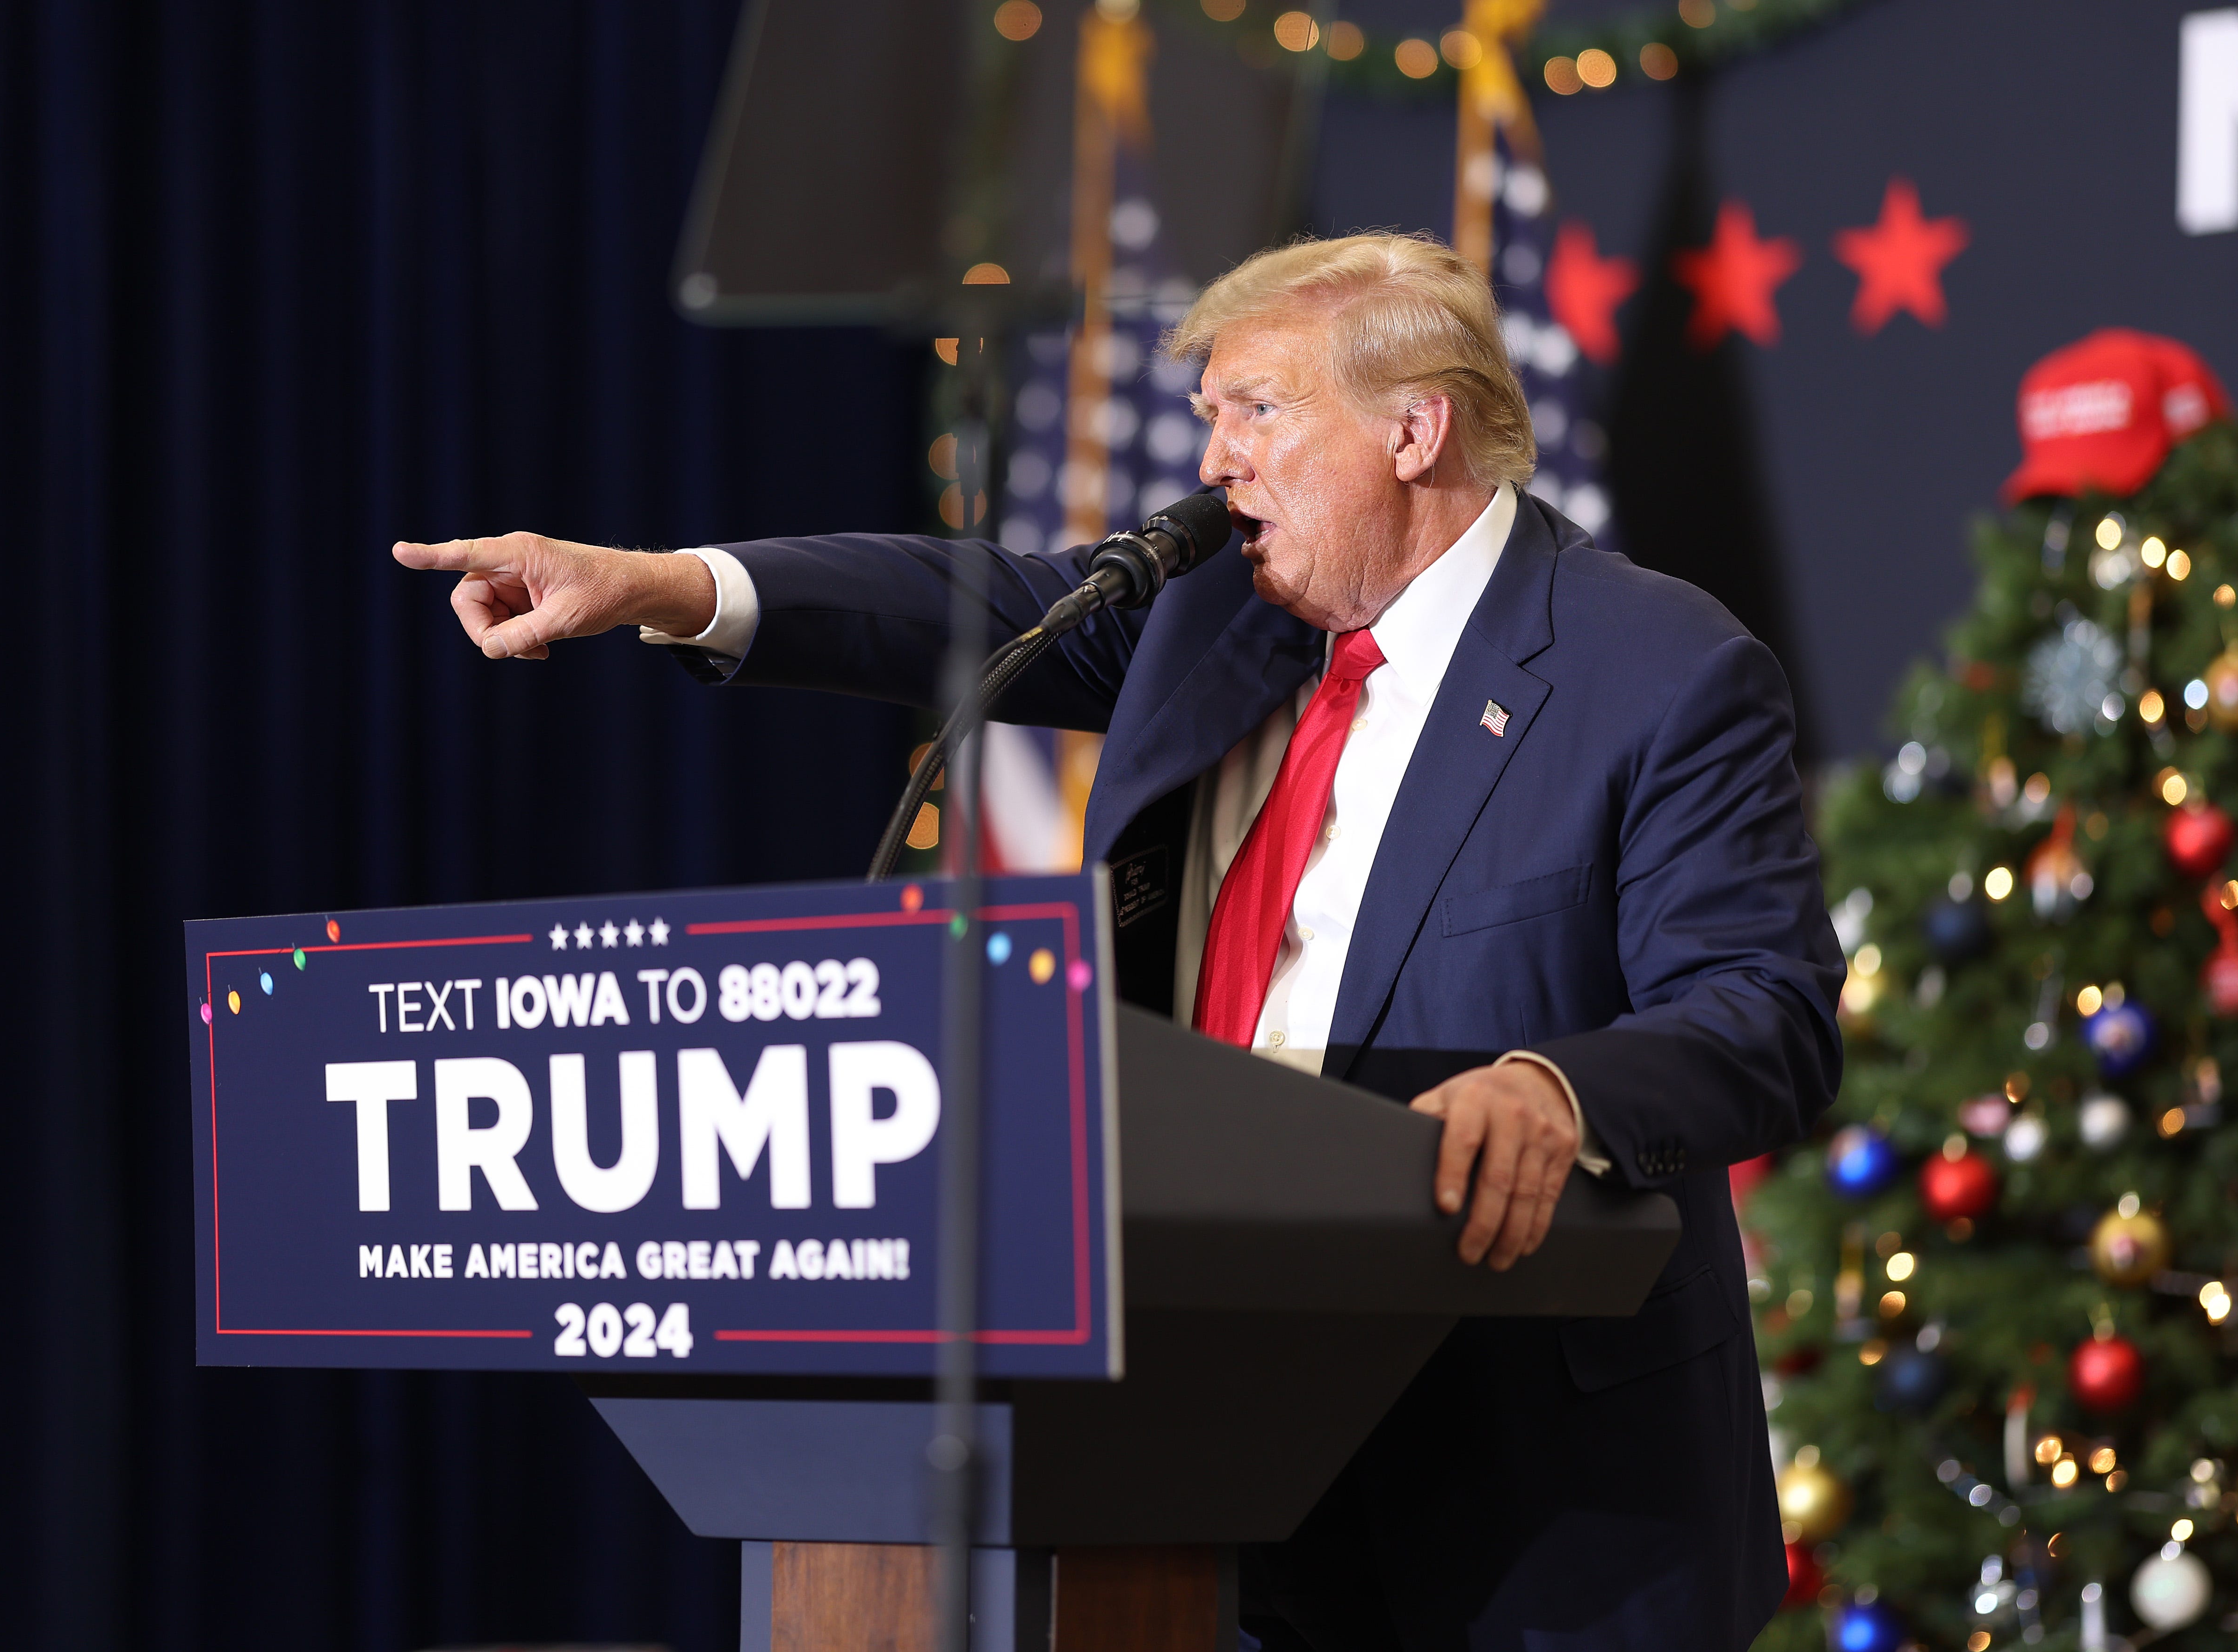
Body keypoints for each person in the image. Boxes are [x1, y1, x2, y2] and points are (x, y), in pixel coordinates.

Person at [395, 232, 1843, 1652]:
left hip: (1525, 1492)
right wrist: (658, 584)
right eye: (1210, 416)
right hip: (1198, 1460)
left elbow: (1764, 1007)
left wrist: (1561, 1090)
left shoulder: (1653, 668)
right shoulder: (1218, 618)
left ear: (1414, 431)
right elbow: (970, 608)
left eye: (1256, 412)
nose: (1215, 463)